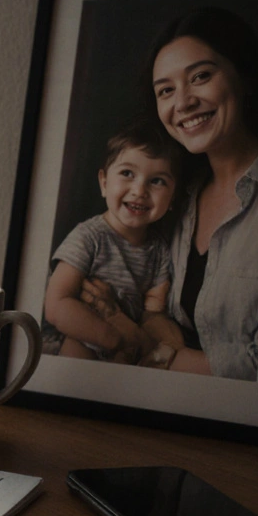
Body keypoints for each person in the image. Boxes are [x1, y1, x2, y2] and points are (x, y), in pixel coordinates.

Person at [99, 6, 258, 380]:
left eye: (200, 76)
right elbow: (153, 313)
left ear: (244, 75)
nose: (182, 102)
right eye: (166, 90)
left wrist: (158, 354)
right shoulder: (172, 197)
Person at [42, 117, 183, 364]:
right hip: (84, 338)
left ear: (172, 198)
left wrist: (166, 345)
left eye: (157, 181)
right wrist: (111, 338)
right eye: (127, 173)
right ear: (104, 183)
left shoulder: (159, 250)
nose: (140, 190)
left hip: (128, 350)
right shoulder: (89, 236)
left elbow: (153, 312)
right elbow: (56, 305)